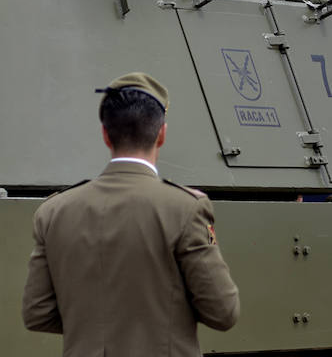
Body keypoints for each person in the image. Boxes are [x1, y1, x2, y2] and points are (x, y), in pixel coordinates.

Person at [22, 72, 239, 356]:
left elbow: (37, 313)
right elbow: (223, 312)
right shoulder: (185, 208)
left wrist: (96, 328)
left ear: (104, 134)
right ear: (161, 133)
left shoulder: (52, 211)